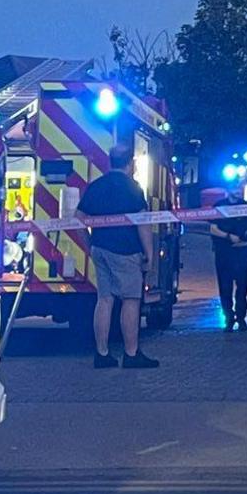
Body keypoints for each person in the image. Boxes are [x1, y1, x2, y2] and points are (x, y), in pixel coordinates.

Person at [78, 145, 158, 369]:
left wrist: (89, 244)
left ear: (109, 161)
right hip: (125, 251)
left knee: (104, 300)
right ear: (130, 163)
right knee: (131, 300)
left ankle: (102, 353)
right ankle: (131, 354)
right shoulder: (133, 188)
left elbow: (78, 218)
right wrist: (149, 255)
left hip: (100, 249)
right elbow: (142, 224)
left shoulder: (96, 186)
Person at [210, 188, 247, 331]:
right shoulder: (219, 206)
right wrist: (228, 237)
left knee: (242, 287)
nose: (238, 191)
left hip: (242, 252)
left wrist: (246, 239)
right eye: (235, 188)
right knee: (225, 287)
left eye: (240, 188)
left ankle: (241, 318)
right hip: (224, 252)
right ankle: (229, 318)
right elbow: (213, 229)